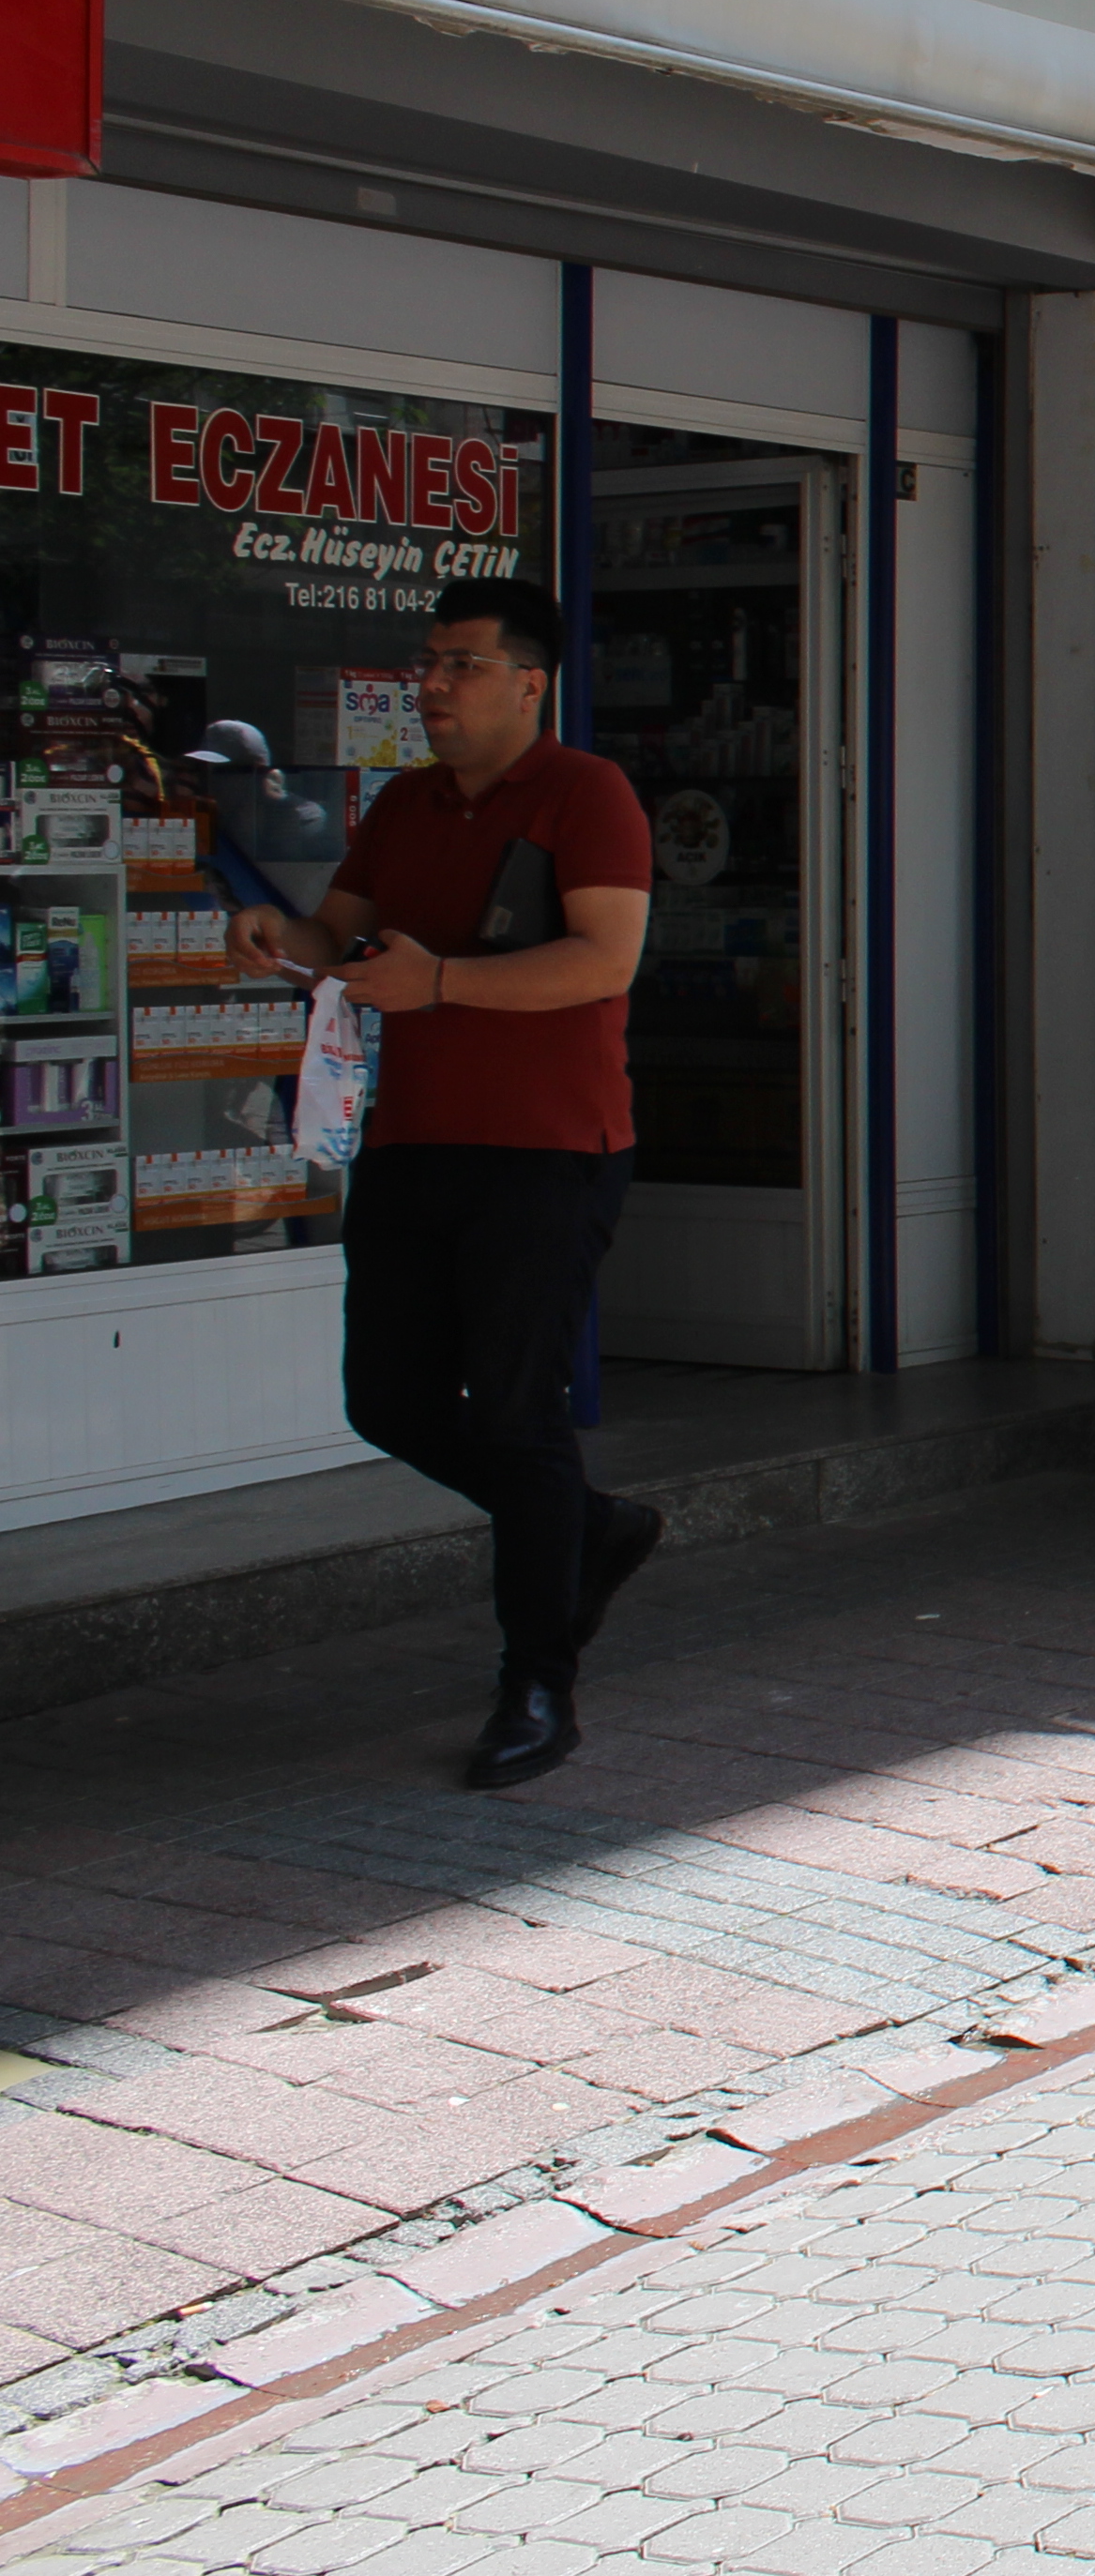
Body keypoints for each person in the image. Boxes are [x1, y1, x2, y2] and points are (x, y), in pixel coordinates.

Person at [226, 580, 658, 1790]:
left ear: (531, 681)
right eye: (426, 663)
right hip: (414, 1142)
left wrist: (444, 986)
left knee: (518, 1417)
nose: (431, 685)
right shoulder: (405, 803)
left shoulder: (588, 794)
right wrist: (276, 934)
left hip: (549, 1150)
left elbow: (603, 959)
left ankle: (538, 1686)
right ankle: (591, 1528)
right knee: (392, 1401)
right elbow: (345, 936)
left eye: (459, 665)